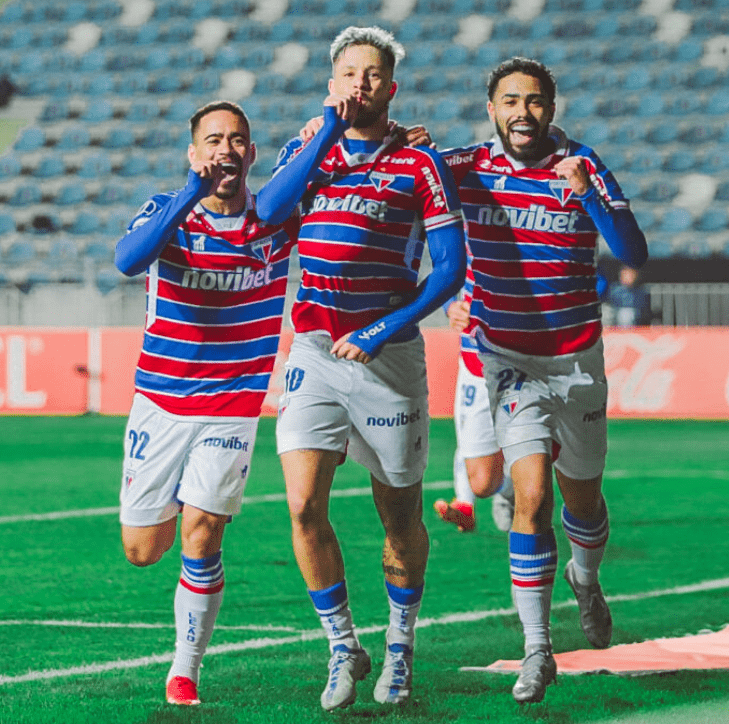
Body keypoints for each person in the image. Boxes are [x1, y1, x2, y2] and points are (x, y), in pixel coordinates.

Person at [113, 95, 356, 706]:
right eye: (213, 139)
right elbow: (127, 261)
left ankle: (185, 669)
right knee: (144, 551)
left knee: (203, 532)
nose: (226, 148)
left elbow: (336, 190)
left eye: (237, 139)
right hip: (161, 403)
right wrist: (188, 195)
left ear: (251, 153)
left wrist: (378, 139)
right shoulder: (167, 212)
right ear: (194, 153)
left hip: (232, 403)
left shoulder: (275, 219)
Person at [440, 57, 648, 703]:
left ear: (551, 108)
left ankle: (586, 579)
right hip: (508, 359)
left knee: (580, 498)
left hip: (576, 359)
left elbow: (634, 251)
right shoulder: (465, 167)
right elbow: (391, 183)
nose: (522, 112)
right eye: (509, 101)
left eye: (534, 101)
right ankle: (538, 649)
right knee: (527, 499)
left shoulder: (582, 164)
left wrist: (587, 192)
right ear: (491, 109)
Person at [274, 25, 467, 711]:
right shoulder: (307, 153)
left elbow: (450, 271)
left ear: (390, 87)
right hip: (315, 355)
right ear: (334, 84)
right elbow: (268, 213)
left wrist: (383, 328)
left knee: (397, 512)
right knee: (302, 505)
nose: (359, 83)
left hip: (388, 359)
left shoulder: (420, 164)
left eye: (371, 74)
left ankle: (401, 648)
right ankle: (339, 647)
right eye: (348, 73)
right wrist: (319, 137)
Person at [432, 283, 514, 534]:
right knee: (483, 482)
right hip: (476, 361)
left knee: (535, 460)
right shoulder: (466, 242)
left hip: (528, 354)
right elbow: (446, 265)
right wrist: (450, 306)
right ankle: (505, 490)